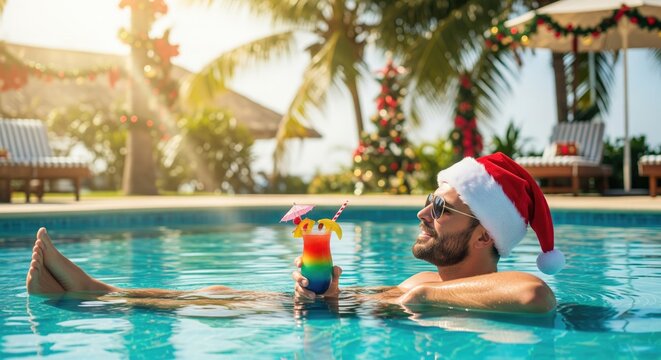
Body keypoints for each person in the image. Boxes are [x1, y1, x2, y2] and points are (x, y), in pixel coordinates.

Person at [26, 152, 564, 314]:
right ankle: (98, 294)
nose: (422, 214)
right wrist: (320, 292)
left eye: (439, 207)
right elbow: (358, 304)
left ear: (482, 236)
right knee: (235, 296)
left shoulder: (504, 282)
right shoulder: (416, 281)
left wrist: (421, 295)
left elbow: (535, 293)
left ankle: (92, 294)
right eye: (427, 202)